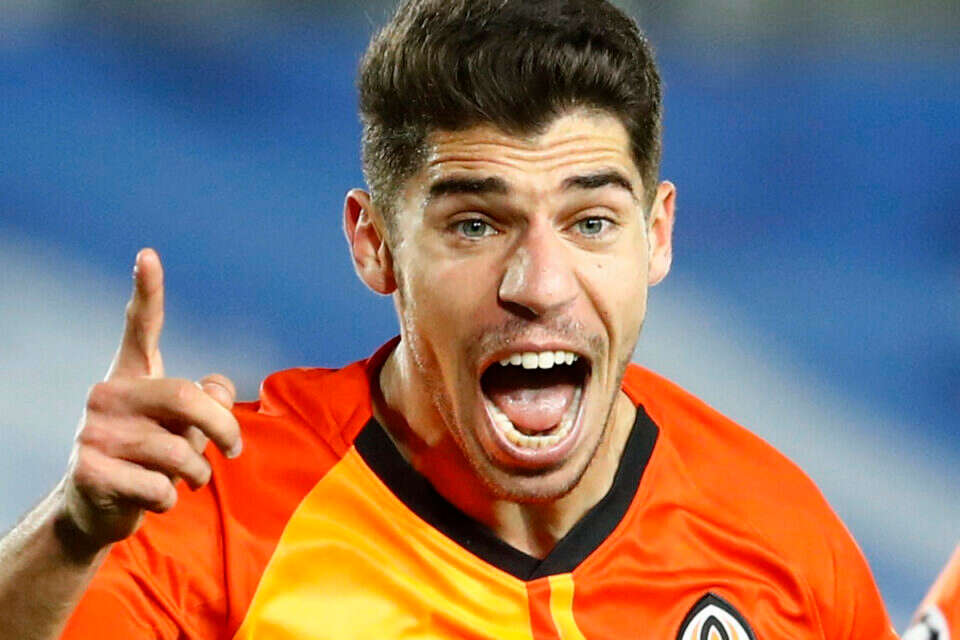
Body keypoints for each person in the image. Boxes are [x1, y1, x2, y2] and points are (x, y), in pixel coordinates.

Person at [0, 0, 910, 637]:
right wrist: (70, 535)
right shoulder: (217, 520)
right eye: (476, 224)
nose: (539, 283)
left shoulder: (781, 539)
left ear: (658, 235)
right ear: (375, 246)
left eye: (591, 222)